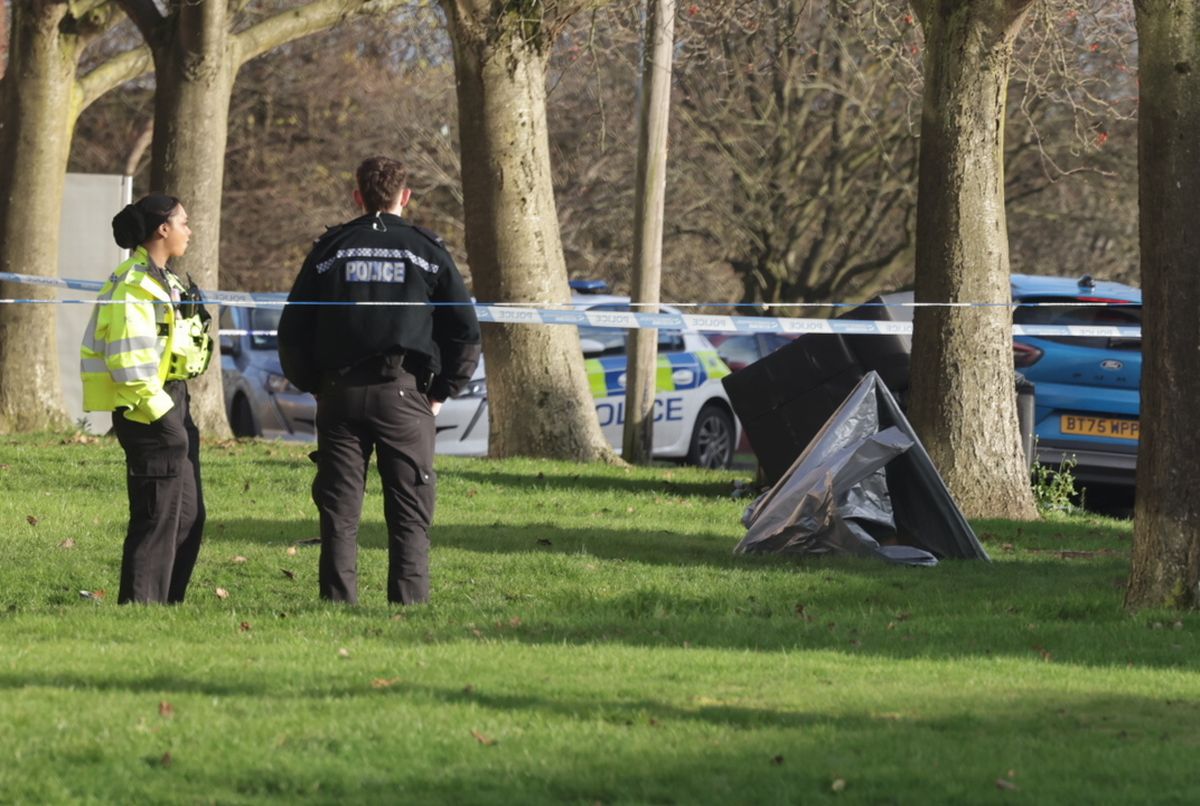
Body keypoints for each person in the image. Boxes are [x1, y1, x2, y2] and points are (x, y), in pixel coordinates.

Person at [278, 156, 481, 605]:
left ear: (357, 196)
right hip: (405, 394)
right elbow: (464, 330)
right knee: (410, 508)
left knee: (339, 509)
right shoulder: (427, 251)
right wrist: (443, 391)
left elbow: (293, 329)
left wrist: (314, 383)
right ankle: (408, 606)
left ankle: (337, 602)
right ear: (404, 196)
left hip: (339, 394)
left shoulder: (330, 250)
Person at [81, 193, 213, 604]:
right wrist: (164, 418)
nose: (189, 231)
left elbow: (183, 352)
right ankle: (139, 607)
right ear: (163, 229)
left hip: (173, 401)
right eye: (184, 223)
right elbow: (128, 361)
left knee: (188, 516)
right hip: (147, 410)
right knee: (155, 519)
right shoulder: (133, 285)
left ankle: (166, 607)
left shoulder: (168, 281)